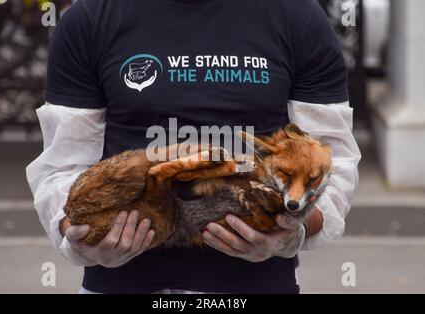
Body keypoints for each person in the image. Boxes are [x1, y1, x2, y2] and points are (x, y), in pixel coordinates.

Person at [26, 0, 361, 294]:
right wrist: (82, 239)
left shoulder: (298, 17)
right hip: (120, 284)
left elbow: (332, 161)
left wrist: (295, 230)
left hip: (257, 285)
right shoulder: (89, 18)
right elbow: (62, 168)